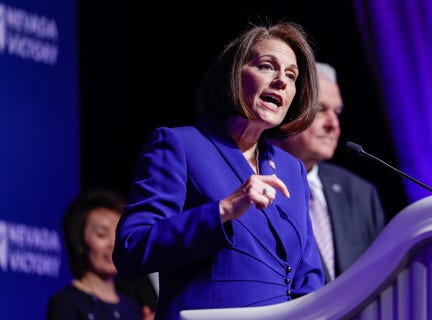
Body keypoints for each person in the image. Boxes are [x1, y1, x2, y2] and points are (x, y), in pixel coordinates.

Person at [112, 21, 324, 320]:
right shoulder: (181, 145)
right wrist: (221, 211)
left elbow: (308, 277)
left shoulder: (292, 170)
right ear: (233, 76)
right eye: (267, 67)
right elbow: (132, 248)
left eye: (291, 76)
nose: (282, 82)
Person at [272, 62, 386, 283]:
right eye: (320, 109)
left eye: (337, 112)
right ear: (286, 110)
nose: (334, 124)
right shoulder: (252, 182)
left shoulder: (360, 193)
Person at [47, 188, 156, 320]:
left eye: (118, 235)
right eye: (101, 235)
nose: (112, 244)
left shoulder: (134, 308)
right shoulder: (66, 304)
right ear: (80, 241)